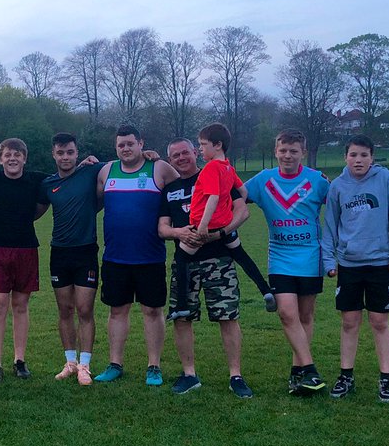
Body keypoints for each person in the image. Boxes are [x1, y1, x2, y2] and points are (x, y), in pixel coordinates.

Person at [159, 137, 253, 398]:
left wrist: (218, 233)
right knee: (182, 317)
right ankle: (189, 374)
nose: (181, 158)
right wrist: (179, 232)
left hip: (218, 260)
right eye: (175, 155)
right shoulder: (169, 189)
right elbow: (162, 228)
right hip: (185, 263)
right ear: (170, 160)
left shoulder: (216, 174)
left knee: (227, 316)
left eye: (185, 152)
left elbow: (242, 210)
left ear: (195, 152)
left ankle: (236, 376)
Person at [243, 129, 331, 396]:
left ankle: (298, 371)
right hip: (280, 257)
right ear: (275, 152)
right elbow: (229, 193)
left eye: (294, 151)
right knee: (286, 314)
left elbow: (343, 204)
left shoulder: (317, 181)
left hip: (310, 256)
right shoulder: (263, 180)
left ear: (303, 152)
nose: (288, 156)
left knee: (305, 316)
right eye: (283, 150)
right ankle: (311, 370)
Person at [323, 135, 389, 403]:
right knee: (349, 322)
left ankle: (386, 379)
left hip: (380, 263)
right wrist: (328, 261)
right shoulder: (337, 186)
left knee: (379, 322)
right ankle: (346, 376)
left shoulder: (385, 179)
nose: (358, 160)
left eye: (363, 155)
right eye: (353, 155)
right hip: (349, 264)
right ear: (345, 157)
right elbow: (330, 225)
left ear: (372, 157)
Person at [93, 124, 179, 386]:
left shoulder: (160, 168)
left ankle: (154, 366)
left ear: (141, 143)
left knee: (152, 310)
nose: (126, 148)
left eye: (131, 143)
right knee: (117, 311)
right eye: (121, 145)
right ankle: (115, 364)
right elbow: (93, 201)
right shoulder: (106, 171)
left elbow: (186, 188)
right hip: (115, 256)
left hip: (150, 257)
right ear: (115, 147)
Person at [169, 122, 272, 319]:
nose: (201, 148)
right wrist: (229, 211)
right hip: (224, 225)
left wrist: (203, 226)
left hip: (204, 225)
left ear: (217, 145)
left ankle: (181, 306)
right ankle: (265, 290)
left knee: (181, 258)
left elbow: (213, 197)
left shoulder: (210, 169)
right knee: (240, 254)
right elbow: (243, 192)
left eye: (203, 144)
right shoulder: (228, 168)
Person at [0, 139, 47, 382]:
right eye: (7, 155)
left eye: (17, 154)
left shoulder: (36, 179)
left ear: (24, 158)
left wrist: (87, 164)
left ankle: (19, 360)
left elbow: (65, 175)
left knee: (20, 305)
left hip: (26, 248)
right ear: (1, 159)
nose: (12, 158)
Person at [36, 132, 102, 385]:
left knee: (85, 309)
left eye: (70, 152)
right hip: (59, 253)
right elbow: (33, 213)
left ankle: (85, 365)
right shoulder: (47, 184)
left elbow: (123, 164)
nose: (66, 157)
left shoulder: (90, 172)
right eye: (61, 153)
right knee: (65, 309)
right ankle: (70, 363)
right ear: (53, 154)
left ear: (77, 153)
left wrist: (148, 155)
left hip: (86, 251)